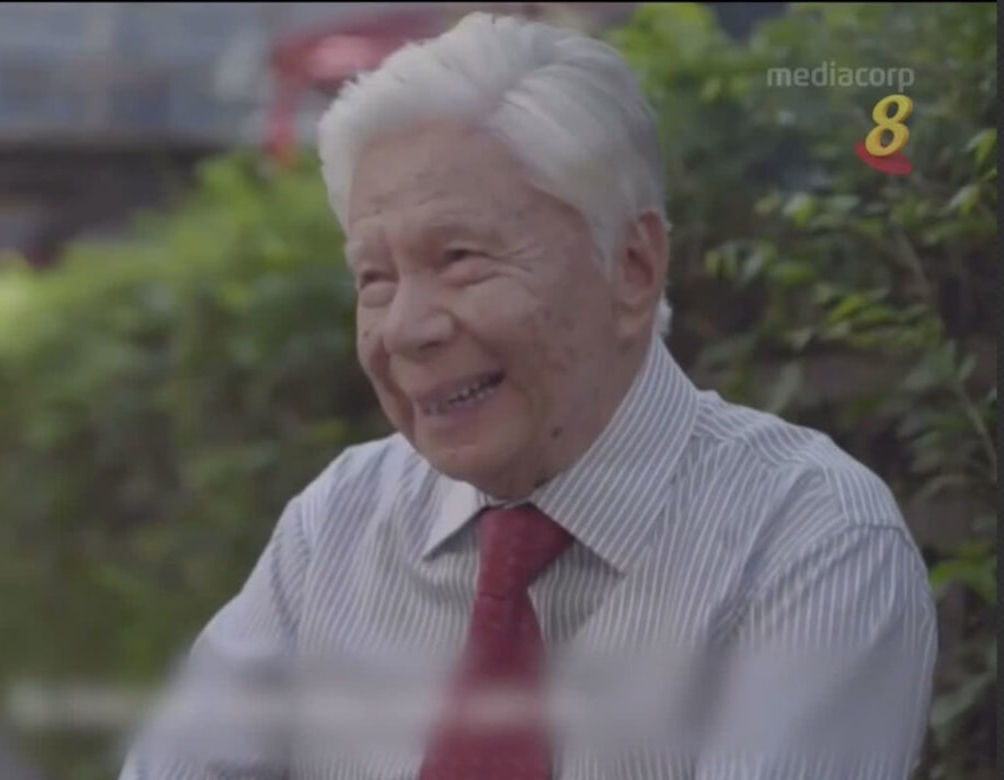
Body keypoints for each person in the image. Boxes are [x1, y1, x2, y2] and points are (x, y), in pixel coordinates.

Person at [120, 12, 937, 779]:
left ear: (631, 268)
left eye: (460, 259)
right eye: (375, 278)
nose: (405, 329)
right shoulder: (336, 524)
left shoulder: (808, 541)